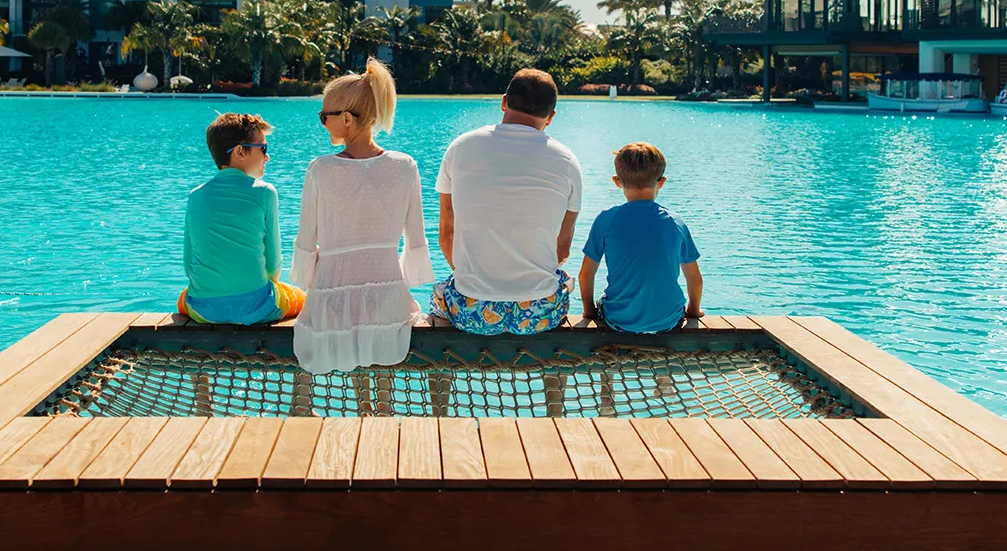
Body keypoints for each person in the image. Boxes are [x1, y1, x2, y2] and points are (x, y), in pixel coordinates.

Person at [290, 58, 432, 373]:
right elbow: (416, 237)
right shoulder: (404, 166)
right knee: (382, 374)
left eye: (323, 116)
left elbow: (305, 240)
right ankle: (380, 418)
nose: (322, 123)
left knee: (356, 377)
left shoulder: (321, 169)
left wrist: (305, 281)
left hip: (333, 296)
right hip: (387, 294)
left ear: (346, 118)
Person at [430, 68, 584, 334]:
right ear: (550, 117)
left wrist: (476, 277)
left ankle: (442, 373)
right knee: (565, 282)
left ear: (504, 102)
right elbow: (562, 250)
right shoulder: (567, 161)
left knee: (440, 297)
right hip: (538, 313)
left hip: (471, 310)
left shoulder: (461, 147)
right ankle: (555, 375)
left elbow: (446, 234)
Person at [178, 112, 305, 325]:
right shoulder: (265, 192)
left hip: (204, 309)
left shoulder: (196, 196)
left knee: (184, 298)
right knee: (303, 299)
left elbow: (188, 264)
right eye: (263, 148)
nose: (267, 156)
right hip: (255, 307)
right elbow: (273, 268)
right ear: (239, 152)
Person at [579, 143, 703, 333]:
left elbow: (586, 275)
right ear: (661, 182)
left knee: (605, 300)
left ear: (616, 181)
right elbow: (694, 278)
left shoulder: (606, 220)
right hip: (669, 321)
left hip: (617, 320)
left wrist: (589, 312)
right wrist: (693, 311)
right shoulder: (675, 222)